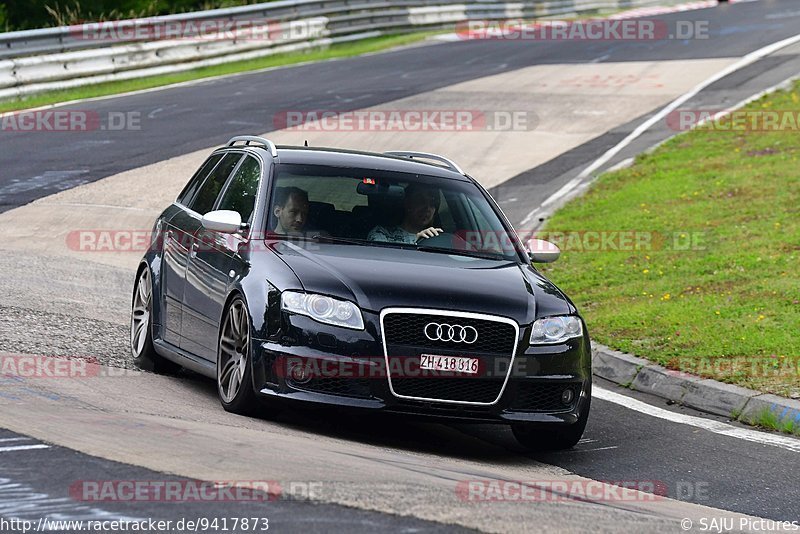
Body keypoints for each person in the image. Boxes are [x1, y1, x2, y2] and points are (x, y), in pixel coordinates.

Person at [367, 183, 443, 244]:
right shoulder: (381, 234)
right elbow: (381, 260)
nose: (427, 208)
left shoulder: (438, 238)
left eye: (432, 203)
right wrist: (416, 244)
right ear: (407, 203)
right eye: (420, 201)